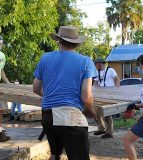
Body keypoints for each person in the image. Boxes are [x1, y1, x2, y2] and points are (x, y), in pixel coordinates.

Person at [33, 26, 96, 160]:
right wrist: (89, 111)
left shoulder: (45, 58)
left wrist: (52, 96)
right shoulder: (85, 61)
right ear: (77, 43)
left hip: (48, 116)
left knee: (56, 155)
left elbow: (36, 88)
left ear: (58, 41)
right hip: (71, 117)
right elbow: (86, 97)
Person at [93, 58, 120, 138]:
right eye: (96, 64)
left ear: (103, 63)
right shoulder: (97, 72)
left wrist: (117, 90)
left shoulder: (110, 70)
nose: (97, 65)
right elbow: (95, 82)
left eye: (98, 63)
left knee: (107, 113)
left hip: (109, 94)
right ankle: (101, 128)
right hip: (100, 94)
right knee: (96, 111)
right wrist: (92, 90)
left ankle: (109, 132)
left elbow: (117, 79)